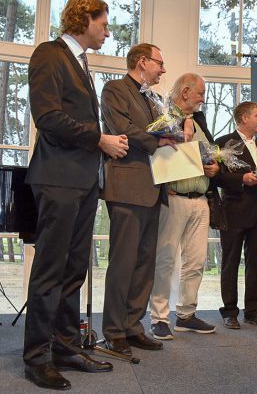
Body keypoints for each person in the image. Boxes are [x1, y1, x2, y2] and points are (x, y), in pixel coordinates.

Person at [23, 0, 129, 390]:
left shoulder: (82, 63)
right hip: (58, 177)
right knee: (50, 271)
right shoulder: (49, 54)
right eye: (104, 23)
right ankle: (36, 357)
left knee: (74, 270)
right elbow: (48, 117)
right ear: (84, 19)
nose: (107, 30)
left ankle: (65, 347)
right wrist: (99, 139)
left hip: (84, 181)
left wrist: (99, 148)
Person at [100, 43, 176, 356]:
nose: (163, 69)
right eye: (160, 63)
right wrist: (162, 140)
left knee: (144, 264)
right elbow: (123, 128)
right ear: (142, 62)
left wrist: (176, 141)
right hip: (127, 188)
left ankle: (133, 326)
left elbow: (158, 135)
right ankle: (114, 331)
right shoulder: (114, 89)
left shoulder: (155, 99)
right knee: (123, 263)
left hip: (153, 189)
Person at [149, 73, 220, 340]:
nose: (203, 98)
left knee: (197, 261)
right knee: (165, 260)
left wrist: (215, 167)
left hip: (201, 199)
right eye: (201, 93)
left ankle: (186, 315)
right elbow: (157, 152)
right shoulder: (164, 117)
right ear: (186, 91)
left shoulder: (199, 121)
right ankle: (158, 317)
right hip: (174, 197)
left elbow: (210, 154)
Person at [214, 101, 257, 329]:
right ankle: (230, 312)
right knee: (230, 263)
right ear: (244, 118)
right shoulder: (223, 143)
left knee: (255, 264)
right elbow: (215, 177)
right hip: (234, 211)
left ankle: (253, 311)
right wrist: (241, 179)